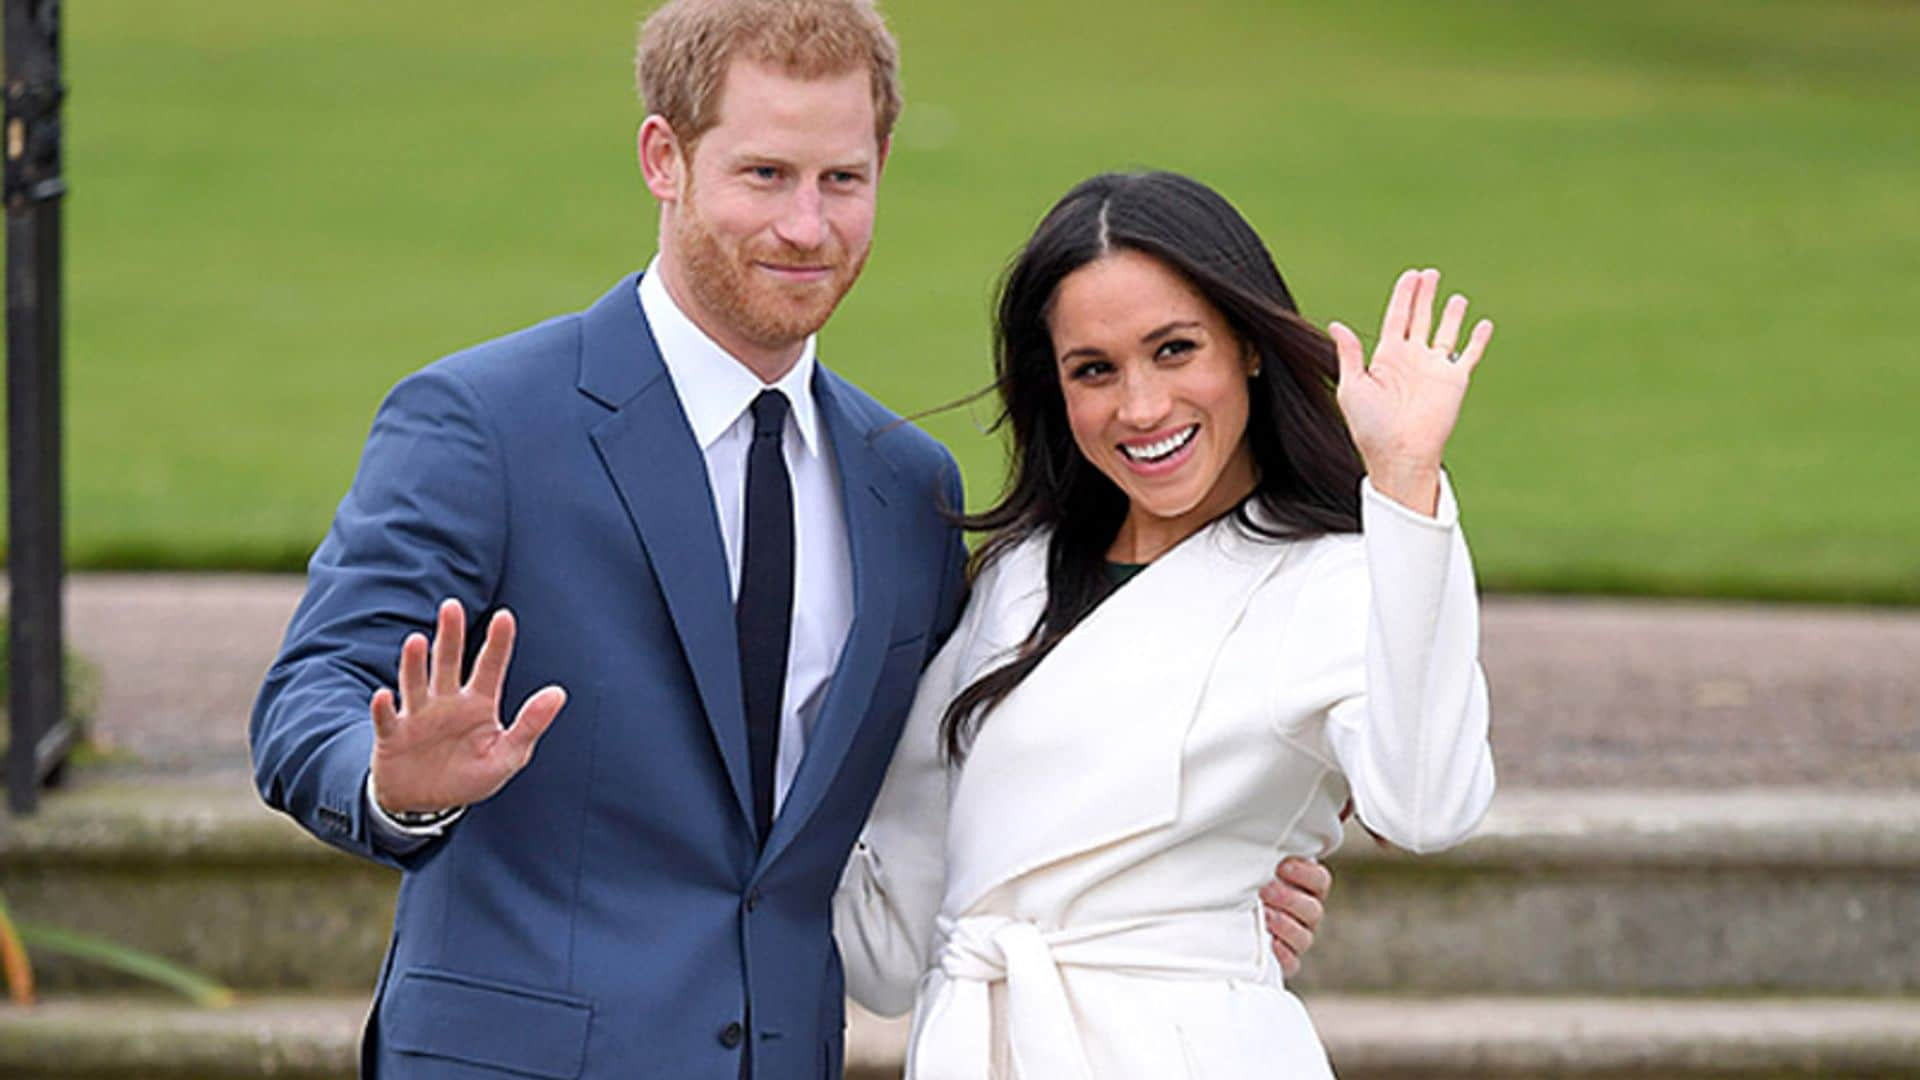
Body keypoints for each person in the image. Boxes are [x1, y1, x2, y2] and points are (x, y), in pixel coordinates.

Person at [249, 4, 1328, 1076]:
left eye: (841, 180)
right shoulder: (483, 423)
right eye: (764, 175)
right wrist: (401, 786)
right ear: (663, 158)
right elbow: (310, 697)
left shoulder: (907, 488)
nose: (807, 228)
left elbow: (968, 774)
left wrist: (1191, 880)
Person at [833, 171, 1498, 1078]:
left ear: (1247, 347)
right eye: (1094, 370)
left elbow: (1427, 806)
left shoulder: (1331, 578)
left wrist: (1407, 486)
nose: (1141, 408)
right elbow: (886, 946)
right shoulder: (1017, 580)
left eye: (1175, 350)